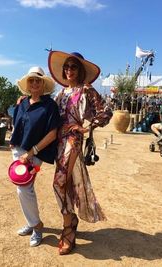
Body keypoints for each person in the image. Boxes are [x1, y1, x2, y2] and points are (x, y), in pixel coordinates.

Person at [48, 51, 113, 255]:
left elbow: (106, 111)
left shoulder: (86, 89)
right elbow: (48, 112)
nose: (69, 70)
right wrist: (25, 100)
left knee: (58, 182)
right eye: (66, 67)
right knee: (64, 184)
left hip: (73, 140)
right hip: (59, 141)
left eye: (73, 67)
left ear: (80, 70)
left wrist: (86, 127)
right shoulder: (61, 93)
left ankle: (68, 227)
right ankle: (70, 220)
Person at [9, 66, 61, 247]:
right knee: (20, 188)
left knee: (24, 188)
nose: (34, 83)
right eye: (31, 80)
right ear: (28, 84)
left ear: (43, 83)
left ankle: (37, 226)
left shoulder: (49, 106)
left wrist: (31, 153)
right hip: (18, 150)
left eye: (38, 80)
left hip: (35, 153)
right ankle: (31, 223)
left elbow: (53, 134)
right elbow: (16, 124)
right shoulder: (22, 103)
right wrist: (12, 140)